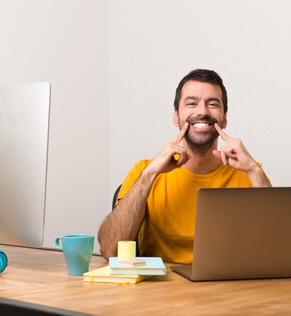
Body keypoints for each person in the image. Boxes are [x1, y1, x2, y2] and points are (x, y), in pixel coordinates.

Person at [98, 69, 271, 263]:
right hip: (160, 289)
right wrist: (149, 174)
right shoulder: (144, 171)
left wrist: (255, 171)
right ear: (176, 116)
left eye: (213, 104)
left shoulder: (250, 173)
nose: (202, 111)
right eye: (191, 103)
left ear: (224, 118)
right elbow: (110, 249)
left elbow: (278, 249)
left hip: (229, 289)